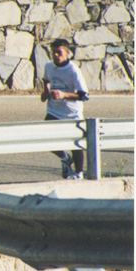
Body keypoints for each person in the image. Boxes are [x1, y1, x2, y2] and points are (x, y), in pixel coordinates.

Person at [40, 38, 90, 180]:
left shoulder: (73, 70)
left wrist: (64, 95)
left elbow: (84, 95)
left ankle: (79, 173)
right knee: (43, 138)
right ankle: (64, 158)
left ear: (67, 53)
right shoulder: (48, 66)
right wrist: (45, 92)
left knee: (75, 143)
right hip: (53, 111)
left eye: (59, 52)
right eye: (53, 52)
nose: (56, 55)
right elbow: (46, 80)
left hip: (71, 112)